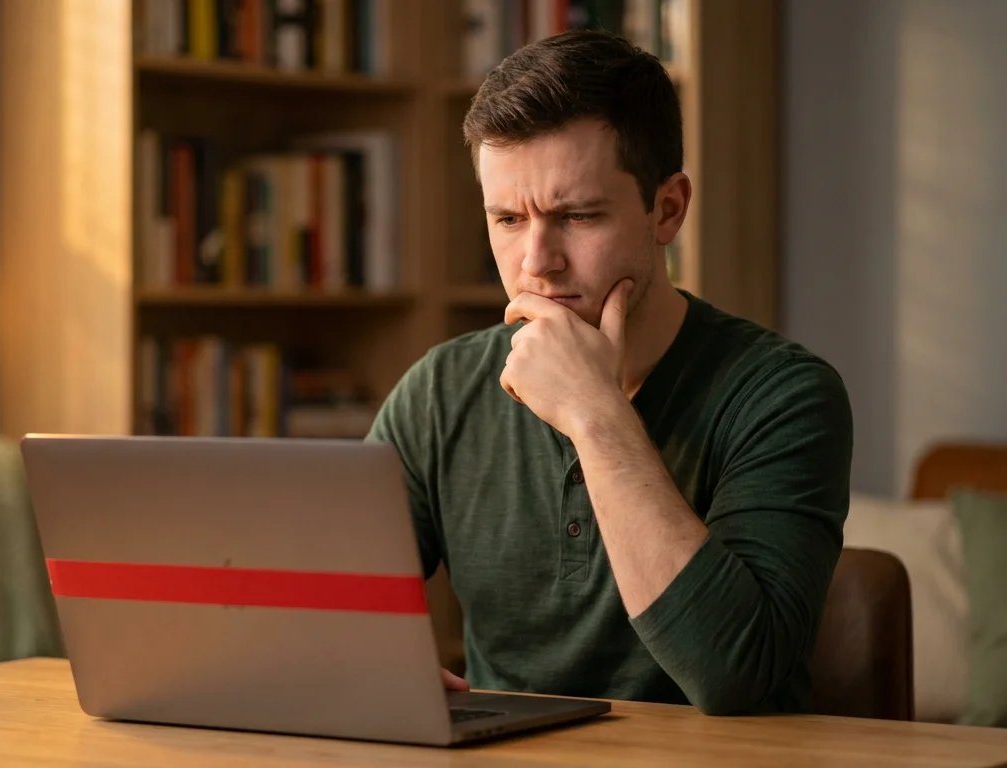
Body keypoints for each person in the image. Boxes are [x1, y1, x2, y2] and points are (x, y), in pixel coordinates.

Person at [365, 29, 853, 716]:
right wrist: (377, 672)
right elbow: (333, 608)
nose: (537, 261)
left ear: (668, 209)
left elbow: (734, 675)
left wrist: (594, 414)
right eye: (507, 218)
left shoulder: (784, 395)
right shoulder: (441, 392)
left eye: (578, 216)